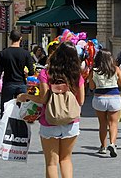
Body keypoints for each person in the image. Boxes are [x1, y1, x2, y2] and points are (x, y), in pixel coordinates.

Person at [17, 38, 84, 178]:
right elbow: (81, 100)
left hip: (49, 121)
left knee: (51, 163)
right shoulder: (77, 75)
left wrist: (26, 96)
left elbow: (43, 99)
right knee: (66, 159)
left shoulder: (46, 74)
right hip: (71, 121)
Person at [88, 49, 121, 157]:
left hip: (100, 98)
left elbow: (91, 87)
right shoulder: (116, 69)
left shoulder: (94, 70)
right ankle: (112, 143)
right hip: (114, 98)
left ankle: (103, 146)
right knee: (113, 123)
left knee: (102, 123)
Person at [0, 29, 35, 110]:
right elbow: (31, 71)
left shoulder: (3, 53)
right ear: (20, 38)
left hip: (8, 84)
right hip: (21, 83)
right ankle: (19, 122)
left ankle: (6, 122)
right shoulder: (25, 53)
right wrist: (26, 73)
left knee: (5, 110)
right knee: (22, 110)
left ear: (10, 38)